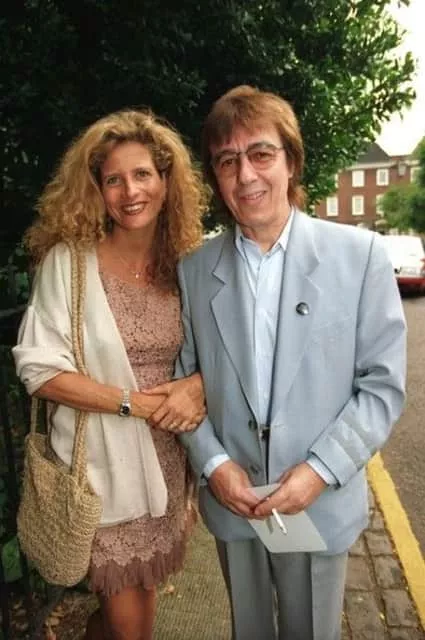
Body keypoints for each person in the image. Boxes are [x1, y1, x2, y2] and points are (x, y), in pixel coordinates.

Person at [175, 85, 407, 640]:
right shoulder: (193, 270)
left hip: (318, 504)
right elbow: (181, 382)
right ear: (216, 178)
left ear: (291, 162)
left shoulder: (360, 257)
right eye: (227, 161)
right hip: (234, 501)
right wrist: (214, 465)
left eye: (261, 154)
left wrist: (319, 471)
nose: (246, 175)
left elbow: (382, 386)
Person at [13, 108, 209, 640]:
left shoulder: (186, 265)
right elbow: (38, 369)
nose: (130, 191)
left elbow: (221, 355)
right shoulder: (69, 264)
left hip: (168, 464)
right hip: (100, 470)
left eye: (142, 174)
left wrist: (197, 386)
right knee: (131, 627)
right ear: (96, 190)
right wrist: (134, 403)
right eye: (113, 179)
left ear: (166, 182)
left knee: (136, 602)